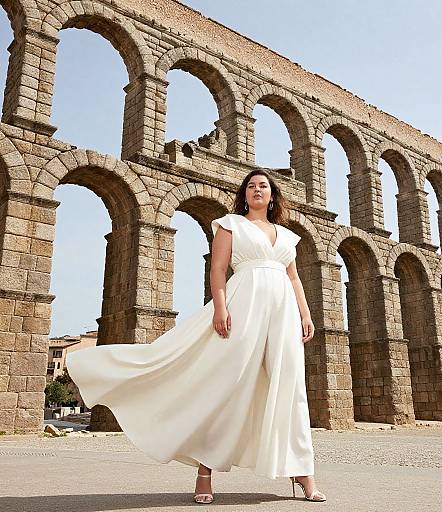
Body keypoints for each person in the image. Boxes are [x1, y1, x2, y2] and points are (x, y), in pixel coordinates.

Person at [66, 169, 326, 504]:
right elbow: (218, 270)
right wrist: (220, 309)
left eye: (263, 186)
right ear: (244, 195)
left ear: (273, 195)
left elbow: (293, 279)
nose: (256, 190)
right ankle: (205, 472)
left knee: (291, 389)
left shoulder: (287, 237)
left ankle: (304, 473)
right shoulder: (230, 224)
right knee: (227, 386)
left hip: (283, 313)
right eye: (250, 186)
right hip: (243, 305)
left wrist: (305, 315)